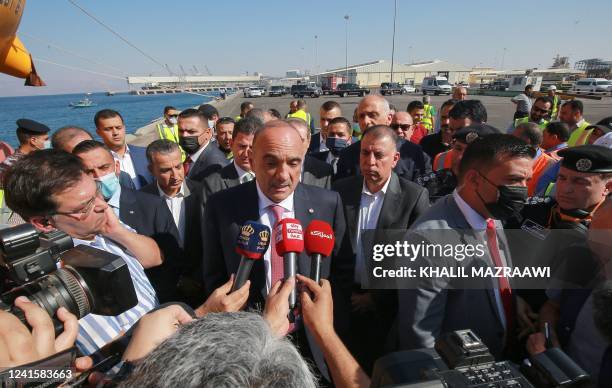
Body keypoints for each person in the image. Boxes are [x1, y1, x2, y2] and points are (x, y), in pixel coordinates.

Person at [201, 120, 350, 381]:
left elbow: (340, 273)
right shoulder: (221, 206)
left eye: (293, 163)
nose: (283, 175)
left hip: (314, 340)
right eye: (271, 163)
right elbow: (213, 276)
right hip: (250, 345)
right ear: (251, 159)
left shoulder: (328, 202)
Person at [4, 150, 162, 355]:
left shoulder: (103, 224)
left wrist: (118, 232)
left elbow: (154, 258)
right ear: (44, 223)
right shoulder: (41, 283)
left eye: (96, 192)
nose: (103, 205)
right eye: (84, 207)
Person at [398, 134, 535, 358]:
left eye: (526, 181)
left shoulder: (492, 212)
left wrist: (509, 298)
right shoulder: (428, 241)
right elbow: (421, 339)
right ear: (474, 180)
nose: (523, 191)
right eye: (513, 180)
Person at [332, 125, 429, 372]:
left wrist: (376, 298)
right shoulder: (340, 191)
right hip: (342, 303)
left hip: (385, 310)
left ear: (395, 159)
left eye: (378, 155)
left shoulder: (414, 197)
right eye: (365, 153)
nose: (370, 162)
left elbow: (415, 262)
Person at [72, 140, 182, 303]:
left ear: (116, 167)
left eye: (103, 168)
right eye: (88, 172)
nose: (98, 176)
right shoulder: (73, 217)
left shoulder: (152, 205)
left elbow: (173, 259)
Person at [528, 199, 612, 386]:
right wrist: (551, 347)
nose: (602, 271)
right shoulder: (580, 256)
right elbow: (551, 307)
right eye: (597, 254)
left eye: (609, 258)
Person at [141, 140, 205, 306]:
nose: (175, 175)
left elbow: (212, 243)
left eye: (178, 166)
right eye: (166, 170)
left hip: (203, 287)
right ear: (151, 170)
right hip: (164, 294)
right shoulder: (140, 201)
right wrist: (176, 281)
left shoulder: (204, 193)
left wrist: (198, 277)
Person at [336, 95, 431, 182]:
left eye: (372, 115)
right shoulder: (347, 155)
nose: (366, 121)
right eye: (361, 116)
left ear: (389, 118)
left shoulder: (414, 154)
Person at [418, 124, 500, 202]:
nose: (461, 157)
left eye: (471, 152)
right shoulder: (427, 185)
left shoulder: (499, 194)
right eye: (458, 148)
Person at [201, 116, 260, 205]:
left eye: (252, 147)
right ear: (232, 144)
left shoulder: (271, 179)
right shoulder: (212, 185)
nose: (246, 153)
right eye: (242, 146)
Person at [94, 109, 152, 189]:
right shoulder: (96, 162)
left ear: (124, 128)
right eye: (108, 129)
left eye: (118, 128)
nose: (115, 133)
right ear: (98, 132)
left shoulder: (144, 153)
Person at [431, 100, 488, 171]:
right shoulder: (441, 159)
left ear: (482, 126)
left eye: (462, 130)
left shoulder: (500, 161)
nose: (454, 136)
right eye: (451, 130)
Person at [178, 108, 229, 182]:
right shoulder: (191, 156)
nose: (184, 136)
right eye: (181, 131)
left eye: (191, 131)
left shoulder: (216, 166)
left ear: (208, 133)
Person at [286, 118, 334, 189]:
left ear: (309, 141)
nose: (296, 145)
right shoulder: (269, 168)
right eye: (291, 140)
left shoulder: (324, 170)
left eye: (301, 140)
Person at [512, 122, 557, 196]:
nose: (511, 141)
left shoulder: (549, 164)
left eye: (513, 138)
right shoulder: (509, 156)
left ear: (527, 141)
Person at [0, 119, 50, 184]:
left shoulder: (37, 158)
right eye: (45, 139)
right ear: (33, 140)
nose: (48, 142)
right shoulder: (12, 165)